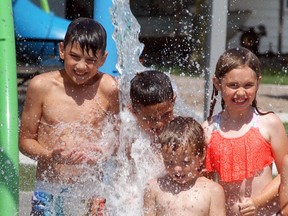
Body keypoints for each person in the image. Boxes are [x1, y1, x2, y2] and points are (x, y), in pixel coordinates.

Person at [19, 17, 119, 215]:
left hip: (93, 192)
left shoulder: (109, 88)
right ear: (62, 50)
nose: (81, 67)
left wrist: (103, 152)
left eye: (91, 60)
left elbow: (120, 137)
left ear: (103, 59)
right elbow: (25, 141)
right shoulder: (41, 87)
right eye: (75, 56)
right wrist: (50, 155)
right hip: (49, 189)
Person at [203, 47, 288, 215]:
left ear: (258, 83)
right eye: (232, 85)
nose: (241, 92)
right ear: (217, 84)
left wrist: (257, 202)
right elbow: (204, 184)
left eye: (248, 85)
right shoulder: (208, 129)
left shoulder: (269, 124)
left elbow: (285, 175)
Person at [143, 116, 226, 216]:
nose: (177, 169)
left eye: (185, 162)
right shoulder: (154, 188)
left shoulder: (213, 191)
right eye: (169, 162)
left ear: (201, 155)